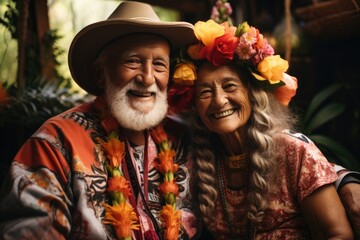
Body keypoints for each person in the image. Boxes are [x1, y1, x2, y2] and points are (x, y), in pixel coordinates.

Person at [0, 1, 200, 239]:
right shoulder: (56, 142)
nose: (148, 78)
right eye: (133, 61)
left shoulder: (185, 141)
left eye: (159, 64)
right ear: (100, 73)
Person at [167, 18, 357, 239]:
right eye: (205, 92)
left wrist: (346, 180)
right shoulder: (201, 161)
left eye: (230, 86)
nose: (219, 101)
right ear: (196, 108)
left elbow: (337, 234)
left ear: (252, 94)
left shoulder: (293, 151)